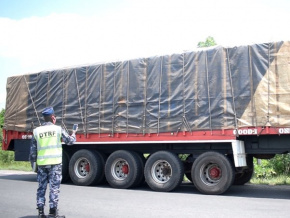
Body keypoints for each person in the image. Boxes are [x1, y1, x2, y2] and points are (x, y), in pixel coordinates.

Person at [29, 106, 77, 218]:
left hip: (42, 164)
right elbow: (70, 142)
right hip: (55, 164)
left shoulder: (36, 131)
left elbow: (32, 152)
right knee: (54, 188)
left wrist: (34, 164)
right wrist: (74, 133)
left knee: (41, 187)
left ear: (44, 118)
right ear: (53, 117)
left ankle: (41, 212)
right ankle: (52, 212)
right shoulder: (58, 129)